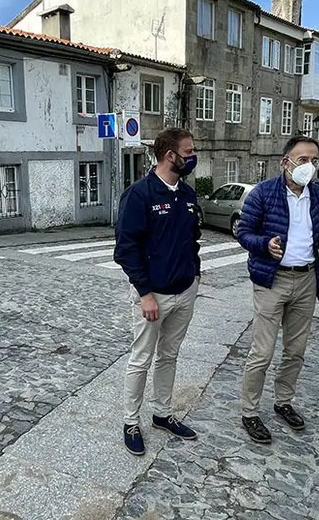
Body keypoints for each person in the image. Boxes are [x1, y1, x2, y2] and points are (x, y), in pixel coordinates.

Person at [236, 135, 319, 444]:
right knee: (262, 351)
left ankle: (283, 401)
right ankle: (250, 411)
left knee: (295, 351)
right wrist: (264, 244)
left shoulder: (318, 196)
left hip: (306, 278)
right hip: (272, 280)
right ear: (286, 162)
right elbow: (243, 232)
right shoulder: (263, 194)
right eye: (302, 159)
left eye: (314, 160)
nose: (309, 166)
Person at [113, 127, 202, 456]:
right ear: (170, 155)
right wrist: (145, 293)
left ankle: (163, 414)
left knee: (169, 356)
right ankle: (130, 421)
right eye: (189, 151)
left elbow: (192, 239)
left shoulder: (187, 194)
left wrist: (196, 274)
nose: (192, 157)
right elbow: (125, 248)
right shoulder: (140, 194)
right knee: (140, 360)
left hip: (184, 290)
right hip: (152, 296)